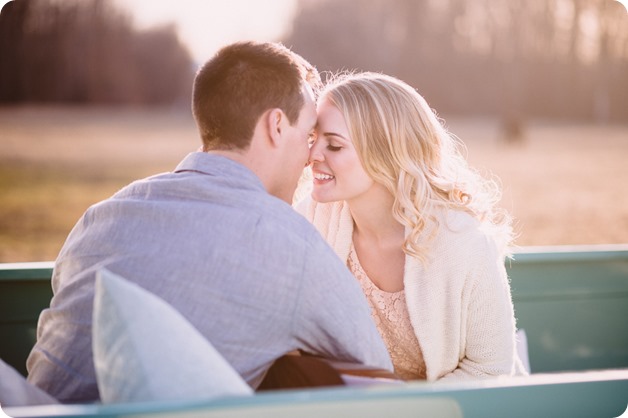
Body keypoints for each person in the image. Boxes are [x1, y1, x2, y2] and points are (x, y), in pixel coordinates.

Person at [26, 42, 393, 403]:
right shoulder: (291, 244)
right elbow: (376, 373)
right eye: (308, 135)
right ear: (276, 126)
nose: (310, 156)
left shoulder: (102, 216)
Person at [297, 72, 527, 381]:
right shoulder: (311, 219)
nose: (312, 156)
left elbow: (490, 369)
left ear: (386, 153)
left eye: (334, 146)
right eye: (313, 140)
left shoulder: (463, 242)